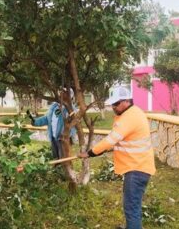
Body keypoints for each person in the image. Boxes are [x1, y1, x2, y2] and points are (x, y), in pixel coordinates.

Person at [78, 86, 155, 229]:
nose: (113, 107)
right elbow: (120, 141)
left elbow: (110, 140)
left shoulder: (129, 117)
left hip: (137, 168)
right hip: (137, 165)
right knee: (132, 204)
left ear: (126, 101)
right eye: (112, 104)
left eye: (116, 104)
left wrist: (89, 153)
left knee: (131, 207)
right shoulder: (133, 113)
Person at [28, 90, 76, 159]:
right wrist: (35, 122)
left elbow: (74, 126)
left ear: (70, 95)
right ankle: (57, 168)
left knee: (64, 159)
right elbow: (47, 118)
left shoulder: (71, 109)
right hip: (53, 137)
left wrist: (66, 135)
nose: (61, 93)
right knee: (56, 157)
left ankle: (64, 169)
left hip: (63, 139)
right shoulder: (54, 106)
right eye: (61, 91)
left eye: (65, 92)